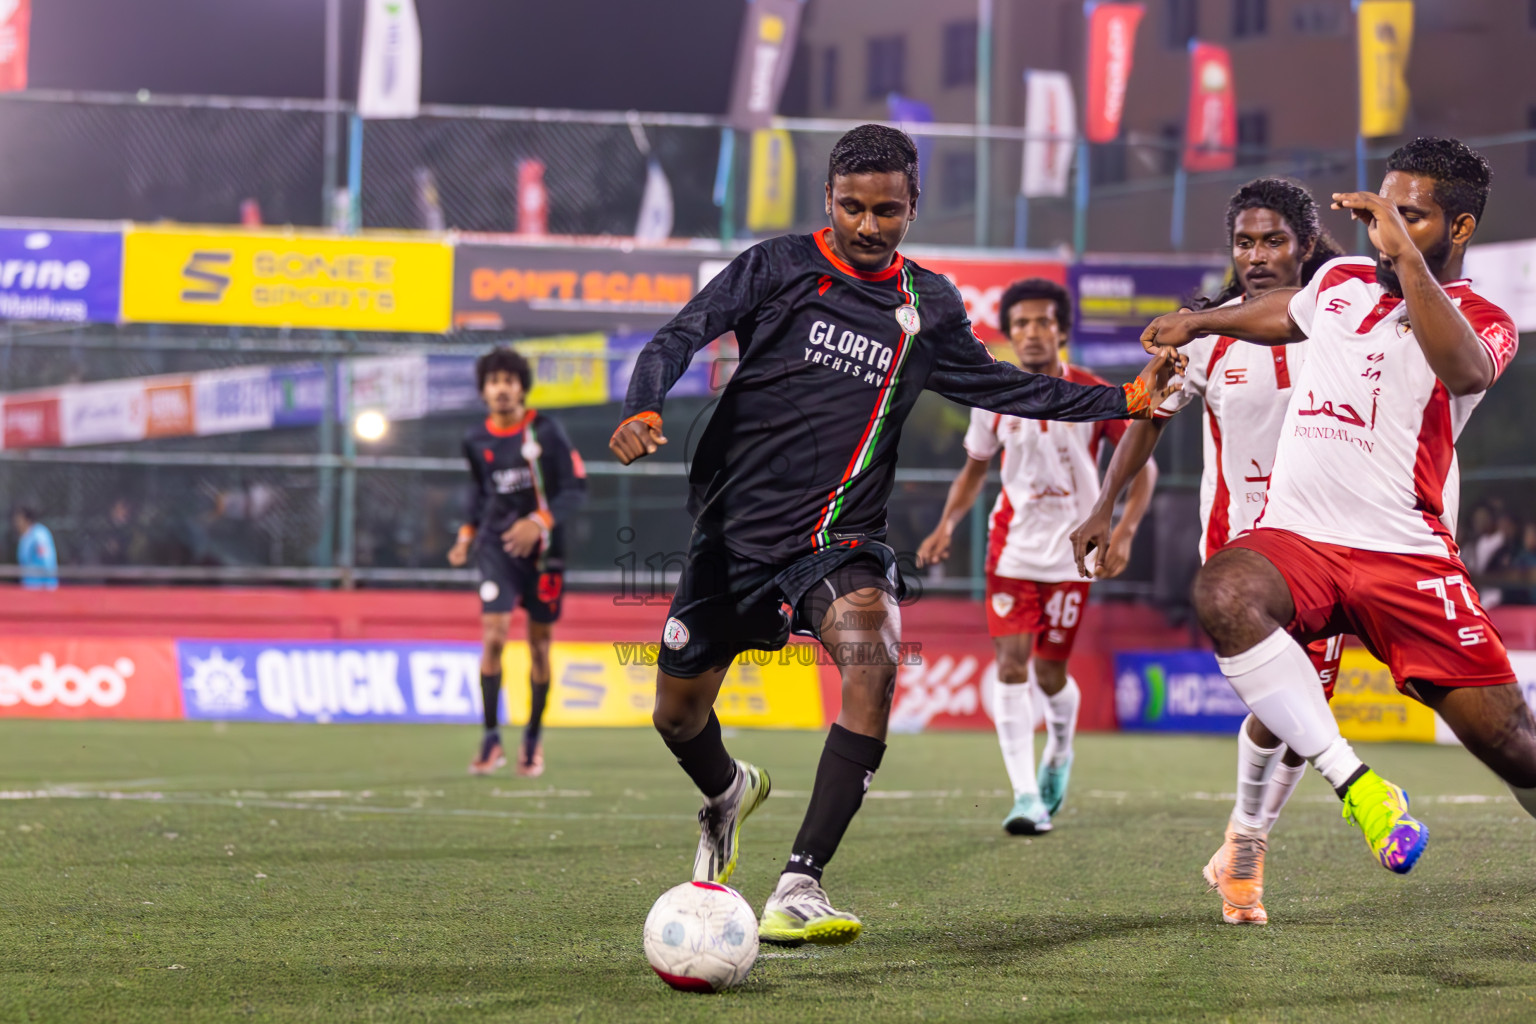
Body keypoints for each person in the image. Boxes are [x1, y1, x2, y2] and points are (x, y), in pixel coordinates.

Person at [609, 124, 1179, 948]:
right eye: (853, 208)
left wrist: (1123, 401)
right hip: (733, 534)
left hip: (841, 536)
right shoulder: (776, 267)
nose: (870, 227)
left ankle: (800, 883)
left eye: (888, 211)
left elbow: (998, 386)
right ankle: (730, 790)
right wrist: (643, 403)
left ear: (913, 205)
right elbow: (677, 335)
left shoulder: (927, 305)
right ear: (828, 201)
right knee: (676, 715)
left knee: (873, 664)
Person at [1138, 137, 1536, 886]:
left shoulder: (1484, 318)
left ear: (1459, 230)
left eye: (1408, 216)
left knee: (1516, 747)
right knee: (1224, 590)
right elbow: (1283, 312)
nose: (1384, 232)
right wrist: (1203, 322)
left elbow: (1465, 370)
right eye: (1382, 210)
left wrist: (1407, 260)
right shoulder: (1345, 281)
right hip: (1302, 541)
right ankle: (1359, 788)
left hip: (1405, 555)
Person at [1072, 178, 1345, 925]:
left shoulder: (1347, 323)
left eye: (1273, 240)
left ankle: (1243, 846)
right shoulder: (1206, 333)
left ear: (1306, 245)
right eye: (1244, 242)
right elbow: (1149, 418)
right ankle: (1248, 854)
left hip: (1330, 547)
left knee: (1301, 713)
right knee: (1287, 708)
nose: (1256, 256)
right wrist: (1104, 507)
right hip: (1242, 556)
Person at [915, 277, 1157, 836]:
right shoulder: (992, 396)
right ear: (1009, 333)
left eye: (1042, 322)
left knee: (1051, 674)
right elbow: (975, 470)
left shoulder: (1098, 392)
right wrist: (947, 524)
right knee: (1011, 665)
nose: (1030, 333)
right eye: (1019, 323)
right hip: (1012, 551)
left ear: (1062, 331)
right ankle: (1025, 795)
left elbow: (1144, 470)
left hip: (1074, 554)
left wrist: (1123, 531)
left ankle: (1060, 751)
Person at [448, 346, 587, 777]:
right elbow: (478, 491)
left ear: (521, 387)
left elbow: (574, 488)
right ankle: (491, 739)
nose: (502, 389)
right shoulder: (475, 439)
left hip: (545, 553)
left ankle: (532, 739)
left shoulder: (546, 430)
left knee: (539, 646)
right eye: (494, 382)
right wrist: (466, 534)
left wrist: (539, 521)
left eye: (509, 381)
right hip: (496, 547)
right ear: (484, 390)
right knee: (494, 635)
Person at [13, 506, 58, 590]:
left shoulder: (39, 535)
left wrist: (47, 586)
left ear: (27, 519)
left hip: (42, 588)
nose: (16, 523)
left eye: (19, 519)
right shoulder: (24, 538)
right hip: (29, 588)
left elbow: (47, 560)